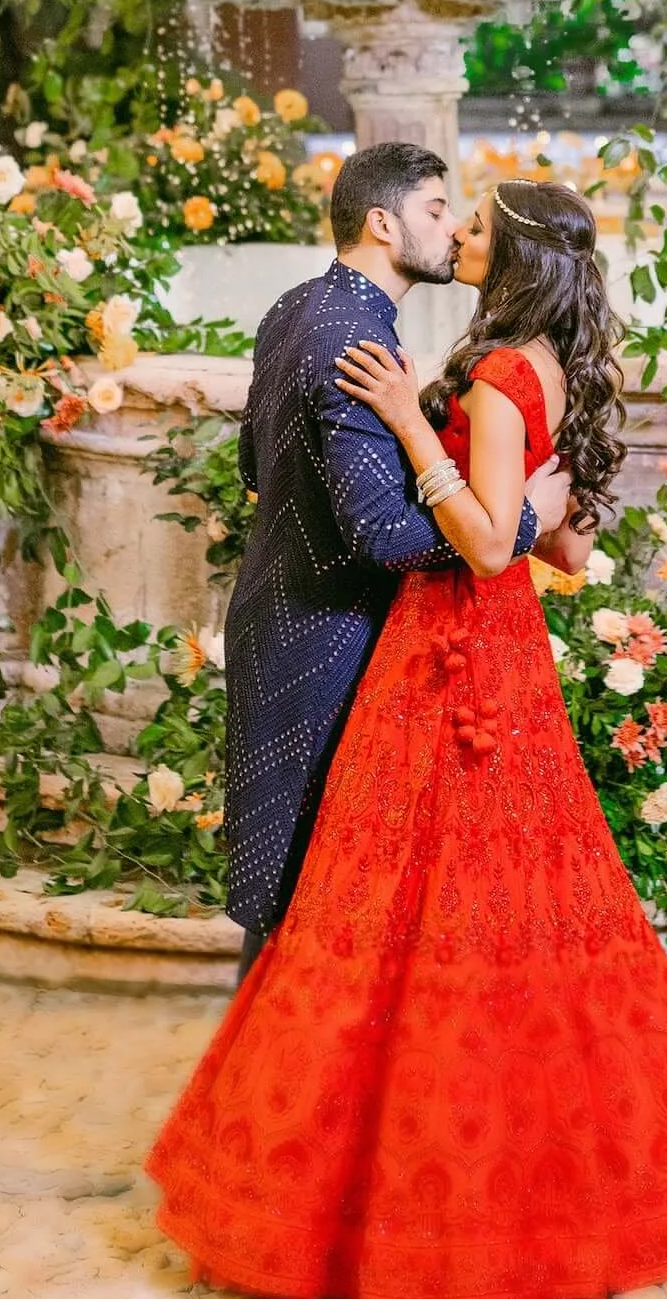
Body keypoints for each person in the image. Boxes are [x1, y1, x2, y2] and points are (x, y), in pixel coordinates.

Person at [149, 176, 667, 1299]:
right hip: (510, 665)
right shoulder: (562, 370)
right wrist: (531, 502)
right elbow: (568, 554)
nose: (461, 237)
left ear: (520, 258)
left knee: (399, 892)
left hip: (445, 651)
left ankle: (381, 1188)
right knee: (518, 896)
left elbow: (489, 549)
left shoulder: (492, 378)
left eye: (478, 226)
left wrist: (402, 422)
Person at [214, 140, 573, 976]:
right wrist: (524, 520)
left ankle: (274, 1080)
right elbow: (386, 536)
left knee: (290, 877)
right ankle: (272, 1088)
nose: (452, 232)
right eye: (438, 211)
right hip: (327, 640)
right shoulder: (360, 344)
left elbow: (250, 466)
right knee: (311, 884)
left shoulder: (299, 305)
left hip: (276, 609)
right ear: (383, 223)